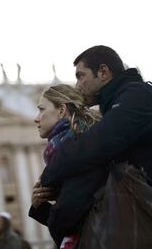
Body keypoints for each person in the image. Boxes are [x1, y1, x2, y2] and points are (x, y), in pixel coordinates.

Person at [40, 45, 152, 249]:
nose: (77, 85)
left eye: (80, 76)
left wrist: (50, 172)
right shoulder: (124, 100)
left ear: (103, 72)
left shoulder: (135, 97)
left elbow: (96, 144)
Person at [28, 84, 104, 248]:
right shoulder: (72, 144)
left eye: (41, 109)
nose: (36, 118)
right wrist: (39, 205)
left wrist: (40, 207)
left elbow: (68, 218)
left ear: (62, 110)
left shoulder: (74, 150)